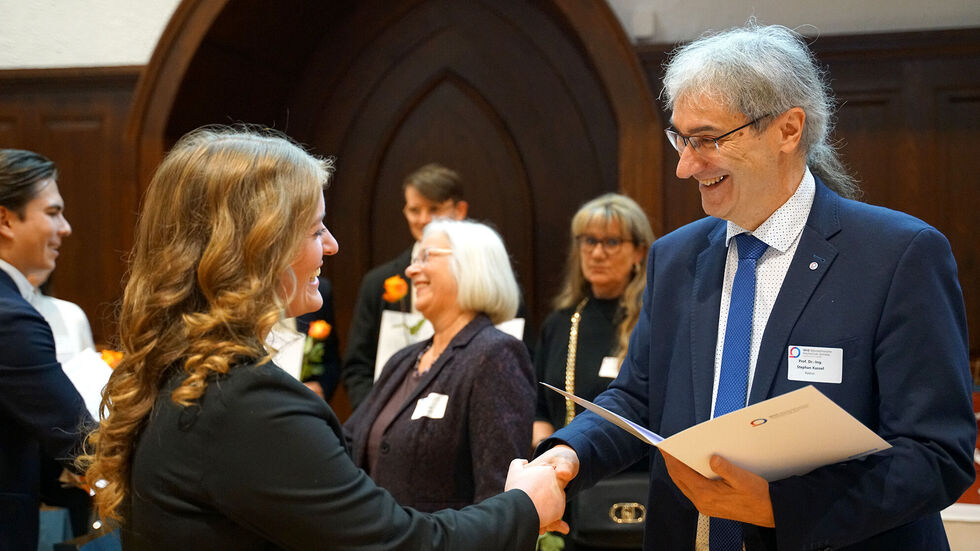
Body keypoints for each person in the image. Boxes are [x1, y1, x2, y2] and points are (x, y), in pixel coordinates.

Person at [532, 23, 976, 550]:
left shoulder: (898, 256)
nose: (684, 166)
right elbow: (638, 398)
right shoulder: (675, 258)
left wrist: (778, 508)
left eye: (708, 140)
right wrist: (567, 457)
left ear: (788, 130)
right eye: (679, 137)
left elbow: (936, 455)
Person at [80, 127, 566, 549]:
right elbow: (396, 545)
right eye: (315, 229)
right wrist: (524, 506)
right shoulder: (246, 400)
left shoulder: (189, 374)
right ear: (257, 247)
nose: (331, 245)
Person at [344, 218, 535, 512]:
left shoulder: (495, 354)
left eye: (426, 257)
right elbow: (347, 444)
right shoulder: (403, 361)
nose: (411, 269)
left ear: (471, 266)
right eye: (414, 258)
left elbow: (498, 493)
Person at [0, 148, 93, 550]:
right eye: (53, 213)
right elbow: (80, 442)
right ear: (5, 219)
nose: (66, 228)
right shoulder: (10, 318)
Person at [533, 193, 655, 448]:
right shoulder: (560, 323)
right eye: (589, 241)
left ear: (639, 252)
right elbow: (539, 408)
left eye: (611, 242)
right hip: (564, 468)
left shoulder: (653, 320)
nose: (598, 254)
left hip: (630, 476)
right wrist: (548, 449)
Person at [343, 163, 468, 409]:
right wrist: (376, 414)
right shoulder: (378, 283)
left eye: (434, 209)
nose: (424, 220)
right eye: (414, 210)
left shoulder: (484, 278)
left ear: (459, 210)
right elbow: (358, 366)